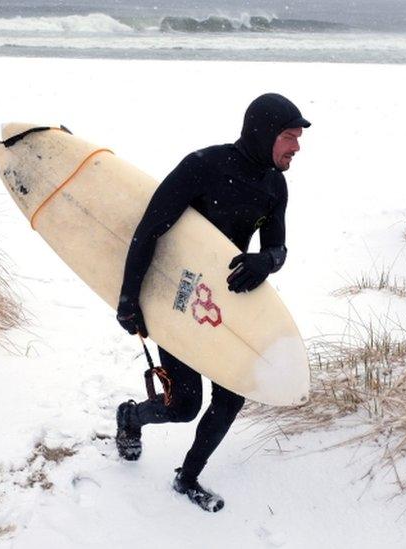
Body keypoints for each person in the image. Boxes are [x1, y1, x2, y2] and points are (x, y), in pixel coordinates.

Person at [114, 93, 309, 512]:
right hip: (178, 297)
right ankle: (131, 417)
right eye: (289, 137)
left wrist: (266, 261)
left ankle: (188, 478)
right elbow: (149, 229)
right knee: (184, 405)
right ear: (263, 134)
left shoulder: (275, 185)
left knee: (231, 396)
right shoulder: (203, 166)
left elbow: (278, 247)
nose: (297, 147)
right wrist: (129, 298)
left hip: (227, 300)